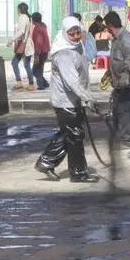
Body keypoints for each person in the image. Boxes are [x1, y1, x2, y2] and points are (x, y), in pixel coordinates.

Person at [35, 16, 98, 183]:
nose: (76, 37)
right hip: (65, 101)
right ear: (64, 34)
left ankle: (46, 162)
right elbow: (72, 82)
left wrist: (85, 97)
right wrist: (88, 99)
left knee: (68, 133)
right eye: (72, 34)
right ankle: (78, 173)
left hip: (74, 100)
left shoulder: (77, 48)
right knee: (75, 134)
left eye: (78, 33)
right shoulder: (63, 54)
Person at [104, 11, 130, 143]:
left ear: (110, 25)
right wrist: (109, 72)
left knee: (125, 112)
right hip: (118, 84)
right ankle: (118, 136)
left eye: (106, 26)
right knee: (117, 111)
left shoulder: (126, 38)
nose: (106, 30)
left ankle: (124, 138)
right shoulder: (116, 39)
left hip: (128, 84)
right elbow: (116, 59)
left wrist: (125, 75)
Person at [9, 2, 35, 91]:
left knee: (15, 62)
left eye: (18, 8)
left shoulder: (22, 17)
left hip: (23, 44)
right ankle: (30, 84)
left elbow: (21, 31)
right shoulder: (27, 18)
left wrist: (11, 40)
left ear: (20, 9)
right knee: (26, 64)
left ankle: (20, 82)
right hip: (26, 44)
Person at [30, 12, 51, 90]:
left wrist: (37, 55)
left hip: (40, 52)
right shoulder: (43, 26)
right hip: (45, 51)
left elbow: (38, 42)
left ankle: (41, 85)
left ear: (34, 20)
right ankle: (45, 83)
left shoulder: (37, 28)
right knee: (39, 68)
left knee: (36, 70)